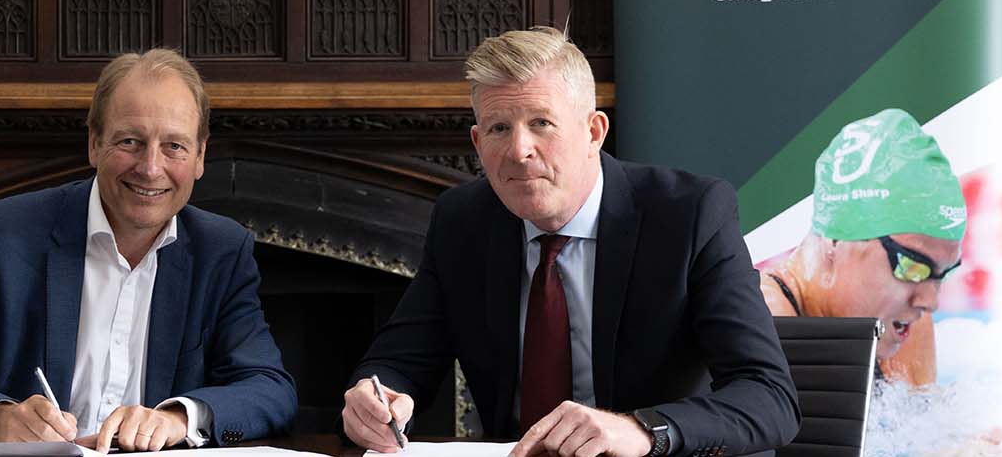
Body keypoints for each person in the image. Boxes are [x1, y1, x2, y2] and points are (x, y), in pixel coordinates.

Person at [342, 27, 799, 457]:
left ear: (593, 133)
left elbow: (768, 397)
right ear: (478, 144)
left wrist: (642, 429)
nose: (519, 150)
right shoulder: (463, 220)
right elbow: (399, 361)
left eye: (541, 122)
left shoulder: (690, 213)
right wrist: (375, 397)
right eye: (499, 129)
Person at [0, 49, 297, 453]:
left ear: (200, 157)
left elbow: (269, 388)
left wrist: (179, 419)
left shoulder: (220, 251)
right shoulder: (1, 236)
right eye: (130, 141)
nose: (151, 168)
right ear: (94, 143)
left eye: (175, 146)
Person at [758, 108, 966, 387]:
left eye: (941, 274)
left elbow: (927, 427)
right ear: (835, 241)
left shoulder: (902, 321)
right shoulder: (761, 317)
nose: (930, 301)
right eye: (911, 266)